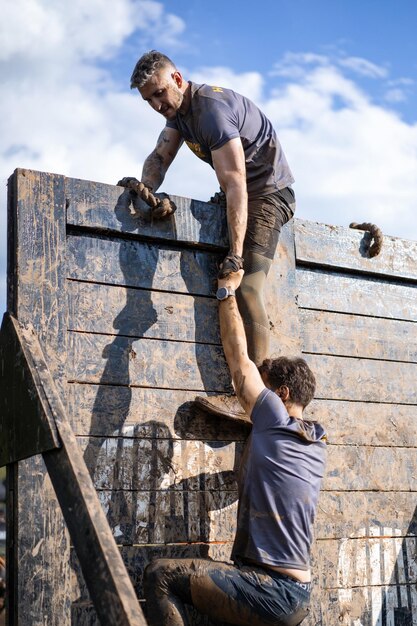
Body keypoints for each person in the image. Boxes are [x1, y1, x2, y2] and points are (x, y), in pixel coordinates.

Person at [142, 269, 327, 626]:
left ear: (282, 395)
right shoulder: (315, 443)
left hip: (273, 590)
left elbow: (239, 360)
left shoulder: (275, 417)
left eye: (267, 387)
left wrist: (226, 292)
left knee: (159, 576)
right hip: (294, 592)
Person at [120, 50, 295, 378]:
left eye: (159, 93)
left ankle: (260, 392)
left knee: (247, 287)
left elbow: (236, 185)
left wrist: (236, 256)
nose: (157, 105)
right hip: (239, 192)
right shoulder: (178, 115)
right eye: (149, 101)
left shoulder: (211, 111)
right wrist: (145, 190)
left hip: (267, 194)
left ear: (176, 79)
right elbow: (160, 157)